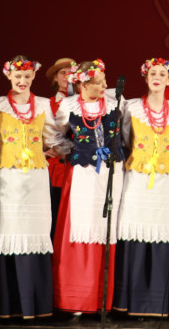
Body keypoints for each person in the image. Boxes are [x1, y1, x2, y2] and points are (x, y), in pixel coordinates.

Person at [0, 56, 59, 318]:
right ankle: (9, 304)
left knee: (34, 233)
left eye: (27, 77)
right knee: (8, 232)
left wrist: (73, 149)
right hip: (7, 177)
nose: (22, 81)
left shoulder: (42, 105)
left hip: (36, 178)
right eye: (17, 76)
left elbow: (53, 136)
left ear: (33, 77)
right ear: (8, 76)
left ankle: (35, 303)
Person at [115, 57, 169, 316]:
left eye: (162, 74)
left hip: (166, 179)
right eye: (152, 73)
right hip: (138, 176)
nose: (157, 77)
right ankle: (130, 301)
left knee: (162, 232)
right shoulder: (132, 107)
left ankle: (158, 302)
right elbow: (125, 138)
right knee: (134, 231)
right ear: (145, 77)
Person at [51, 59, 123, 313]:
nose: (105, 85)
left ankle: (103, 297)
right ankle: (77, 298)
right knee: (80, 226)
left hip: (110, 172)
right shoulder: (68, 106)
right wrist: (74, 150)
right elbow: (55, 134)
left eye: (104, 80)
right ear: (83, 83)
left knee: (106, 226)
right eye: (98, 81)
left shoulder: (116, 104)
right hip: (82, 172)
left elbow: (126, 133)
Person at [45, 57, 76, 239]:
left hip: (78, 167)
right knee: (53, 219)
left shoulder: (84, 103)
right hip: (53, 169)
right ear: (55, 78)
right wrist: (43, 150)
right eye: (63, 73)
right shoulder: (46, 104)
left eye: (71, 73)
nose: (67, 77)